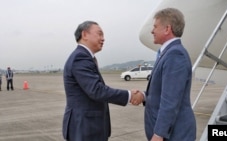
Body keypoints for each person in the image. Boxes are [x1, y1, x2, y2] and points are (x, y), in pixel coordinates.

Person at [62, 21, 144, 141]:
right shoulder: (80, 57)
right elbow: (96, 90)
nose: (103, 39)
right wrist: (130, 95)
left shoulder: (85, 57)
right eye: (99, 34)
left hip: (87, 127)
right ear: (84, 35)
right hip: (84, 128)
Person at [143, 8, 196, 141]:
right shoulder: (167, 53)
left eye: (155, 26)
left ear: (167, 29)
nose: (152, 31)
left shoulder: (175, 54)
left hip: (175, 135)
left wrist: (159, 134)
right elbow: (161, 91)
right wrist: (145, 96)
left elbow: (170, 100)